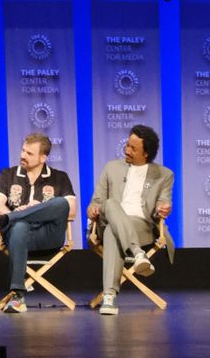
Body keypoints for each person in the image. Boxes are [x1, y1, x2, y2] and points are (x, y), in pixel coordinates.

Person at [0, 132, 76, 314]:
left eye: (29, 153)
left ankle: (0, 221)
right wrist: (21, 214)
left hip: (48, 235)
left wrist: (40, 207)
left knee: (60, 203)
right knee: (20, 225)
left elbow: (72, 210)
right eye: (23, 151)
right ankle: (18, 295)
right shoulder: (8, 174)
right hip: (17, 235)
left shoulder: (60, 177)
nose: (23, 156)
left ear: (43, 157)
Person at [86, 125, 174, 316]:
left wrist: (164, 207)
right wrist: (92, 208)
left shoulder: (164, 175)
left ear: (146, 153)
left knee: (112, 232)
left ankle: (109, 297)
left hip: (141, 226)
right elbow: (96, 201)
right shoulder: (111, 167)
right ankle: (137, 253)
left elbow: (163, 201)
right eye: (127, 145)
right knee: (109, 204)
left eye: (133, 148)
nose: (127, 150)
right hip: (108, 218)